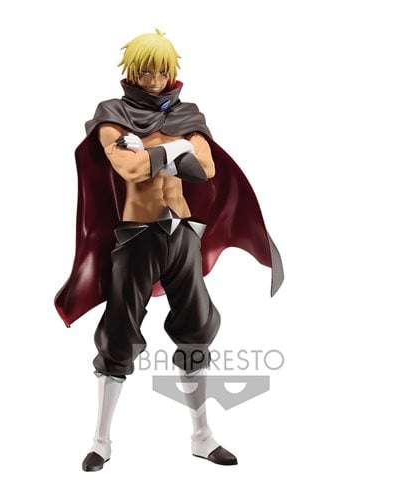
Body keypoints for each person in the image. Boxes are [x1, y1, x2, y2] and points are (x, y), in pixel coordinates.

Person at [55, 29, 284, 471]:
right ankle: (101, 441)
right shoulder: (112, 113)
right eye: (146, 70)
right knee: (119, 333)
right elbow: (129, 168)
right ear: (132, 70)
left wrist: (161, 146)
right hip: (136, 236)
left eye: (161, 70)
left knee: (196, 327)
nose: (154, 79)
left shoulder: (186, 114)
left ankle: (202, 436)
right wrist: (176, 150)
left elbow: (205, 168)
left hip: (182, 235)